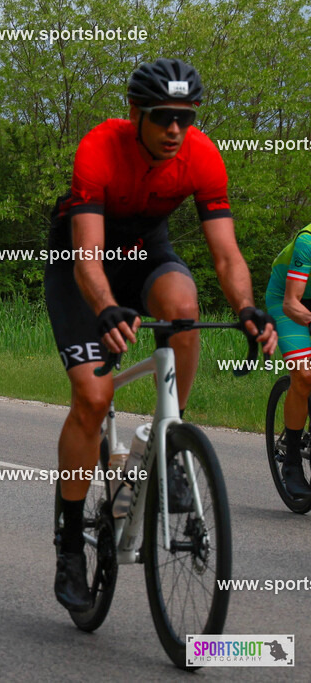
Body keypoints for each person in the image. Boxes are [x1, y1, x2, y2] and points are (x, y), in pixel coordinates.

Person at [44, 58, 277, 612]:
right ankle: (70, 541)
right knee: (93, 398)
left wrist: (247, 307)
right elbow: (87, 258)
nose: (176, 129)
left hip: (148, 253)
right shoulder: (99, 149)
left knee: (183, 305)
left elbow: (226, 255)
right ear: (135, 114)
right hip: (83, 267)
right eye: (163, 116)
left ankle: (170, 438)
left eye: (186, 117)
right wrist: (106, 309)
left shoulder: (201, 156)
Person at [265, 223, 311, 499]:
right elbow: (291, 303)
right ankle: (292, 461)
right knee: (304, 376)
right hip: (288, 300)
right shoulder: (308, 241)